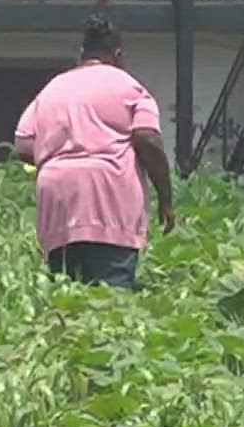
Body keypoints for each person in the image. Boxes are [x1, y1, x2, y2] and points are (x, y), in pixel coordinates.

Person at [13, 15, 176, 290]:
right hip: (109, 200)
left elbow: (23, 144)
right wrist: (165, 197)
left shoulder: (53, 88)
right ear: (119, 55)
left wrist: (60, 155)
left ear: (80, 55)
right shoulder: (131, 88)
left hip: (58, 203)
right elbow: (147, 138)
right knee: (111, 299)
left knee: (67, 295)